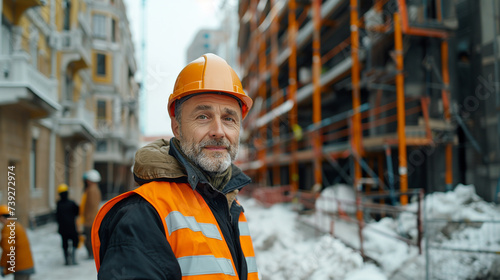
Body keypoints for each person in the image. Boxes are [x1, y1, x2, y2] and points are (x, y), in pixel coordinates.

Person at [92, 53, 259, 279]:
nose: (219, 131)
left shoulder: (231, 205)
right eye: (203, 116)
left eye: (229, 118)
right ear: (177, 127)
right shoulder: (144, 214)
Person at [0, 205, 35, 280]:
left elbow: (7, 250)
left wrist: (2, 265)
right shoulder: (16, 225)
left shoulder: (8, 229)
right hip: (26, 264)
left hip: (20, 266)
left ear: (2, 217)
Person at [56, 183, 80, 265]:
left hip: (63, 228)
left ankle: (67, 260)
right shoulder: (72, 203)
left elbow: (57, 217)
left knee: (65, 244)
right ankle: (73, 259)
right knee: (75, 242)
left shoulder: (58, 204)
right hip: (72, 227)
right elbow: (77, 212)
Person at [82, 169, 102, 259]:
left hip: (90, 220)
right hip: (91, 218)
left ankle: (91, 254)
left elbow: (90, 206)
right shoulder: (95, 189)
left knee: (89, 238)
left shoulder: (91, 190)